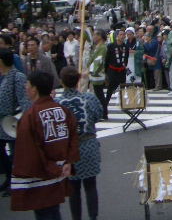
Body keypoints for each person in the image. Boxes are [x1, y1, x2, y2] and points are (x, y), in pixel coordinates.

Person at [10, 70, 80, 218]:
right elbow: (73, 133)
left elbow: (29, 151)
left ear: (34, 90)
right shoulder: (61, 110)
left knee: (45, 213)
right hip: (60, 171)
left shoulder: (31, 115)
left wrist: (51, 168)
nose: (25, 88)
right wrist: (68, 161)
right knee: (54, 212)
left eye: (27, 85)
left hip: (42, 176)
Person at [56, 66, 102, 220]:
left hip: (69, 149)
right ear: (78, 80)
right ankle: (93, 217)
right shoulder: (89, 98)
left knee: (73, 187)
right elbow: (98, 114)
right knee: (90, 185)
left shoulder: (57, 103)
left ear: (61, 82)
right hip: (88, 144)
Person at [0, 48, 31, 196]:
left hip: (13, 121)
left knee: (15, 154)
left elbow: (24, 100)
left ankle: (15, 182)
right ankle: (8, 176)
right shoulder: (2, 76)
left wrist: (24, 120)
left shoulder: (17, 77)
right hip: (1, 122)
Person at [104, 30, 129, 115]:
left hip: (121, 70)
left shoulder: (125, 47)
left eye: (123, 35)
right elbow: (106, 59)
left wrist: (124, 65)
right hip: (112, 70)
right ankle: (105, 107)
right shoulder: (110, 46)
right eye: (120, 35)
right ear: (117, 36)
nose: (122, 36)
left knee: (122, 88)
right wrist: (106, 72)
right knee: (110, 89)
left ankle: (124, 105)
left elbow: (126, 58)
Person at [85, 29, 108, 120]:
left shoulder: (102, 47)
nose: (93, 36)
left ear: (99, 36)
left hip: (98, 73)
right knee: (98, 94)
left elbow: (99, 60)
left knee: (99, 94)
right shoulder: (96, 46)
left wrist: (89, 70)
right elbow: (87, 36)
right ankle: (102, 112)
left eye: (95, 35)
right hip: (95, 73)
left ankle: (104, 113)